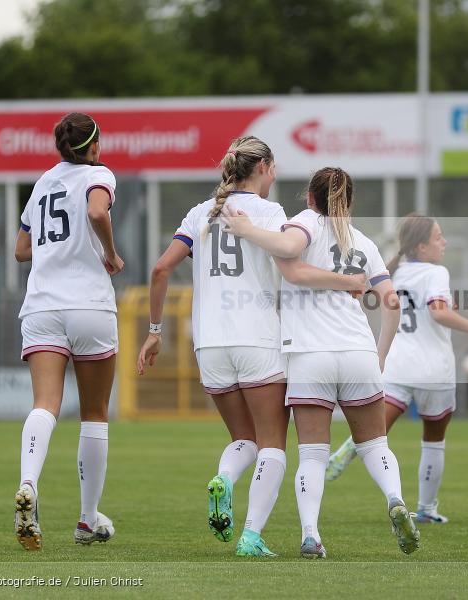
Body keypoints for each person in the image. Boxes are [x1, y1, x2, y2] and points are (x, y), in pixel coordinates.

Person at [136, 137, 364, 557]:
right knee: (274, 443)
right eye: (274, 168)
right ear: (262, 168)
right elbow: (293, 270)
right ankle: (251, 536)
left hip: (209, 344)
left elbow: (160, 268)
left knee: (244, 438)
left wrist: (154, 330)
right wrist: (349, 282)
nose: (275, 176)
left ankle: (224, 476)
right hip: (258, 338)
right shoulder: (272, 213)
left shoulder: (199, 212)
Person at [221, 167, 420, 558]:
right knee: (376, 444)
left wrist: (246, 230)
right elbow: (392, 303)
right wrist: (379, 354)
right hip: (359, 351)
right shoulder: (364, 241)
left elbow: (289, 250)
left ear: (311, 198)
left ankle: (311, 534)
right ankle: (396, 498)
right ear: (348, 202)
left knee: (312, 454)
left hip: (310, 355)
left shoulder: (304, 222)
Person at [323, 214, 468, 525]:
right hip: (435, 371)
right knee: (433, 441)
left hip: (398, 366)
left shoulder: (393, 273)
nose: (445, 242)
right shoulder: (436, 271)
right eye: (439, 237)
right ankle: (427, 508)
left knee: (375, 433)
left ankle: (350, 447)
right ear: (423, 247)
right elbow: (438, 312)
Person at [13, 112, 123, 550]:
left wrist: (51, 247)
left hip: (41, 305)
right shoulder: (99, 174)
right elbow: (97, 209)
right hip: (89, 305)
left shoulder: (42, 183)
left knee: (45, 404)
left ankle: (28, 484)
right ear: (93, 146)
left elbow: (22, 249)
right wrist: (110, 253)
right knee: (94, 414)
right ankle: (86, 518)